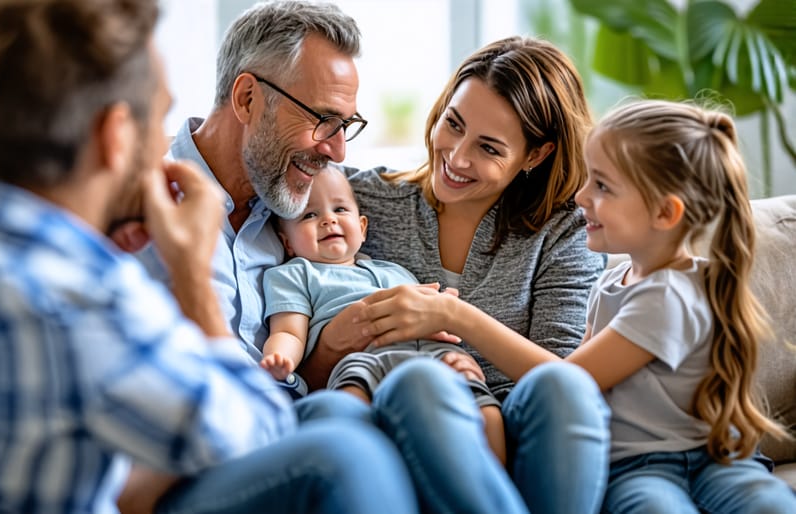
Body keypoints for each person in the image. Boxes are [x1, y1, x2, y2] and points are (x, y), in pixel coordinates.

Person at [0, 1, 418, 513]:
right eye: (159, 117)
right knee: (343, 455)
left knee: (338, 418)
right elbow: (252, 427)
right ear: (115, 137)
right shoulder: (80, 302)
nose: (166, 144)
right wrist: (191, 274)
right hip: (197, 444)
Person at [118, 3, 540, 513]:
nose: (338, 151)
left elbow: (294, 375)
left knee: (384, 412)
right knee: (347, 449)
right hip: (186, 456)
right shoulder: (133, 201)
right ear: (248, 97)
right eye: (324, 120)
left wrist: (338, 350)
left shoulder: (293, 215)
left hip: (288, 428)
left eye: (348, 125)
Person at [353, 98, 796, 513]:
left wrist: (458, 316)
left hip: (709, 457)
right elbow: (579, 384)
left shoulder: (670, 294)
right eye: (589, 178)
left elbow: (570, 379)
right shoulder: (611, 282)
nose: (582, 197)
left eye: (602, 185)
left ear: (665, 214)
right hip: (639, 467)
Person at [302, 36, 612, 513]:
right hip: (412, 427)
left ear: (535, 155)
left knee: (562, 388)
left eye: (488, 147)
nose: (457, 157)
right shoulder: (360, 204)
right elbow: (308, 367)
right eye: (454, 123)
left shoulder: (565, 231)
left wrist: (454, 316)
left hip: (520, 437)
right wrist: (332, 344)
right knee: (421, 384)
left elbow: (563, 376)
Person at [261, 166, 507, 462]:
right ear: (287, 243)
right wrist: (280, 360)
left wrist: (452, 330)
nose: (328, 219)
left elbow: (436, 315)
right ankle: (363, 466)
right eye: (309, 215)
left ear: (362, 228)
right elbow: (288, 331)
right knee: (349, 400)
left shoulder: (395, 271)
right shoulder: (294, 274)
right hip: (363, 359)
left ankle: (495, 480)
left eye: (340, 208)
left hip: (431, 354)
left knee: (488, 411)